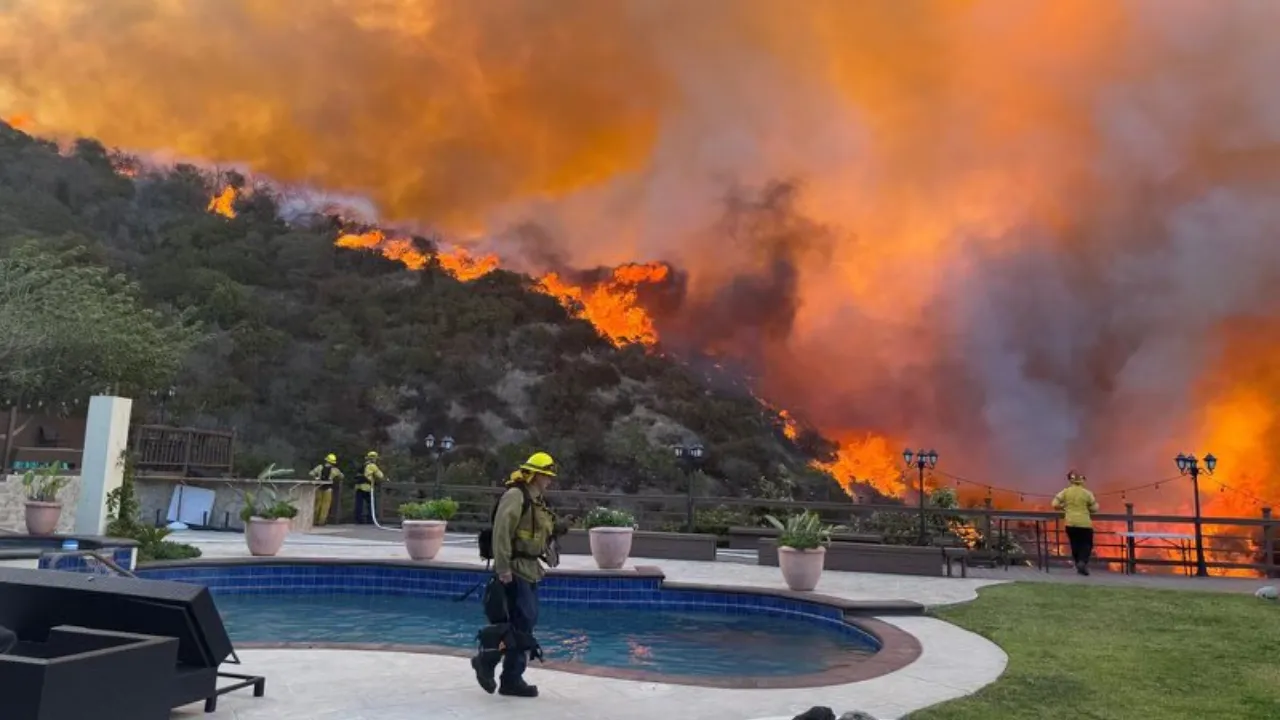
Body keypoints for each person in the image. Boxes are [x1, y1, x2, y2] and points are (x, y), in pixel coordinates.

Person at [471, 451, 563, 699]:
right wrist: (503, 569)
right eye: (545, 475)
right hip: (515, 569)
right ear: (534, 475)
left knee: (522, 625)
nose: (549, 480)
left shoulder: (537, 501)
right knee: (518, 627)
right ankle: (492, 665)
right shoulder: (516, 496)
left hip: (531, 570)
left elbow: (539, 532)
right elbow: (502, 532)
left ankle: (507, 675)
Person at [1053, 470, 1099, 575]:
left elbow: (1055, 504)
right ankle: (1082, 562)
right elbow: (1095, 508)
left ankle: (1078, 563)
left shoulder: (1065, 492)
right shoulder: (1087, 493)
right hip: (1084, 524)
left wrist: (1064, 507)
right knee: (1087, 544)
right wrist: (1087, 507)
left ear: (1071, 481)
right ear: (1082, 481)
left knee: (1075, 544)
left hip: (1070, 524)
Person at [308, 453, 344, 527]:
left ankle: (314, 520)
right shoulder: (335, 470)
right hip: (328, 489)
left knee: (317, 505)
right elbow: (342, 476)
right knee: (325, 506)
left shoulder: (319, 467)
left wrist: (316, 477)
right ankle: (321, 522)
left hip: (318, 487)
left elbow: (311, 473)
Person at [355, 451, 384, 525]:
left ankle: (358, 520)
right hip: (367, 487)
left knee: (359, 504)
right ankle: (370, 519)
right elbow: (380, 475)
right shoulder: (372, 466)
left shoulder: (363, 465)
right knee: (370, 504)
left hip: (358, 486)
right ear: (373, 459)